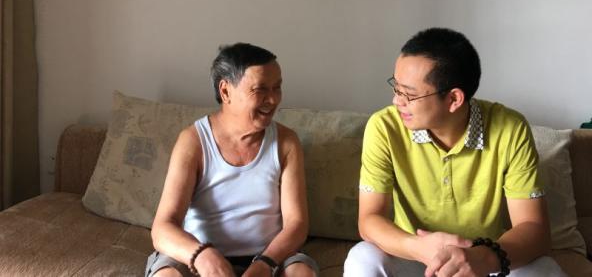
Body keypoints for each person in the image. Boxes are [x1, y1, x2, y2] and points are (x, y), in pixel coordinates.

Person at [344, 28, 566, 277]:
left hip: (483, 262)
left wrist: (483, 257)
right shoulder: (384, 127)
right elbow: (369, 220)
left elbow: (534, 229)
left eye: (409, 94)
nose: (397, 101)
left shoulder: (510, 129)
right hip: (414, 258)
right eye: (396, 88)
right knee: (363, 257)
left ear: (454, 99)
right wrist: (416, 247)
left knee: (545, 270)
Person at [146, 43, 319, 277]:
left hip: (271, 256)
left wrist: (265, 263)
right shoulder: (194, 141)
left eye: (277, 88)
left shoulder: (286, 142)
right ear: (226, 91)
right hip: (200, 256)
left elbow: (296, 224)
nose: (272, 99)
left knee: (302, 272)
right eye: (260, 89)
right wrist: (202, 256)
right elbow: (163, 228)